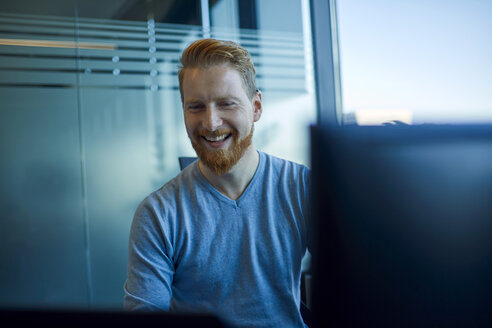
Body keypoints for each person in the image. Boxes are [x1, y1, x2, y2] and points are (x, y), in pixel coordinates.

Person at [123, 38, 311, 328]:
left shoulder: (302, 187)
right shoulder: (158, 213)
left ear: (257, 107)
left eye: (226, 103)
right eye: (196, 106)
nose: (210, 123)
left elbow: (357, 283)